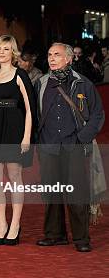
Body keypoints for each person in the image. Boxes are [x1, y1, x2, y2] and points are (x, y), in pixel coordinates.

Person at [35, 43, 104, 252]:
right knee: (51, 194)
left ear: (69, 58)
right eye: (49, 55)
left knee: (76, 195)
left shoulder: (83, 84)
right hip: (48, 146)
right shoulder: (41, 83)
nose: (52, 58)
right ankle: (55, 235)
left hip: (73, 146)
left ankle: (82, 239)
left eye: (57, 55)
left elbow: (97, 115)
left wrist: (81, 138)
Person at [0, 35, 35, 246]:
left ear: (13, 52)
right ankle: (2, 225)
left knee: (15, 177)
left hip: (15, 129)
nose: (2, 52)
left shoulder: (20, 74)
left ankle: (15, 225)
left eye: (6, 49)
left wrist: (26, 137)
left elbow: (30, 108)